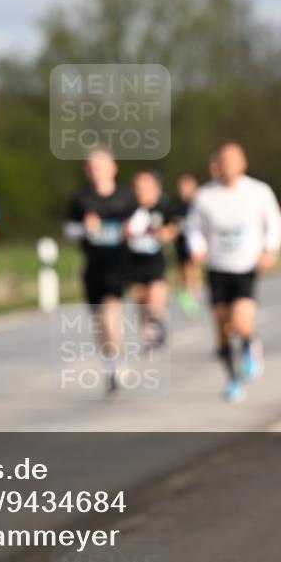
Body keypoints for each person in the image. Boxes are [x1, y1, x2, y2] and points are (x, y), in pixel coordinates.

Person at [185, 142, 281, 402]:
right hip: (217, 267)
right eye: (223, 160)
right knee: (221, 328)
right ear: (218, 164)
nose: (228, 165)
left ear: (243, 163)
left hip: (245, 266)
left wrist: (269, 250)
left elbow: (275, 222)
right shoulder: (205, 195)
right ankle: (232, 380)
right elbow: (193, 227)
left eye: (233, 160)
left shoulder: (258, 191)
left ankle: (251, 343)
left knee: (240, 322)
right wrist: (197, 248)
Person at [64, 148, 137, 396]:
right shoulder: (81, 199)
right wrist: (85, 229)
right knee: (100, 322)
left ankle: (116, 362)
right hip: (93, 265)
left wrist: (131, 229)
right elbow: (68, 230)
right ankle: (112, 363)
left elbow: (143, 221)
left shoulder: (127, 196)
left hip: (117, 264)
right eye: (93, 167)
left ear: (113, 167)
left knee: (110, 312)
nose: (97, 171)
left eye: (101, 166)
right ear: (87, 171)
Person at [125, 170, 179, 350]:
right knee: (140, 300)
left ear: (155, 188)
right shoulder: (129, 207)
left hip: (155, 260)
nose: (142, 191)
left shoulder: (163, 207)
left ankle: (158, 324)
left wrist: (167, 233)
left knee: (154, 298)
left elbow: (175, 226)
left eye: (146, 187)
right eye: (139, 187)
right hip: (133, 261)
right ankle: (149, 336)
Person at [171, 172, 202, 316]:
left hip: (196, 242)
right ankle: (185, 293)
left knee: (193, 267)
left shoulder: (199, 204)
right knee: (184, 268)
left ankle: (194, 294)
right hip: (182, 241)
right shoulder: (176, 206)